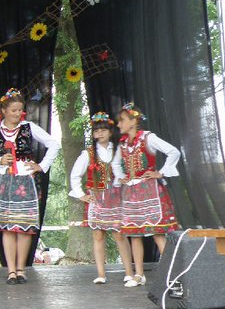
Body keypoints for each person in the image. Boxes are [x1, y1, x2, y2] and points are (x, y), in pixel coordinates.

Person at [0, 88, 60, 284]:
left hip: (25, 181)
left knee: (24, 226)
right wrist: (0, 160)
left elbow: (54, 144)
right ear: (4, 111)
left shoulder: (28, 127)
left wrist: (41, 166)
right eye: (14, 110)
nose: (17, 114)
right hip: (3, 182)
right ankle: (11, 270)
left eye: (20, 110)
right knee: (8, 227)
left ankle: (21, 269)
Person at [111, 102, 180, 288]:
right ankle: (139, 274)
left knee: (158, 233)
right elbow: (115, 164)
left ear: (133, 121)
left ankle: (172, 276)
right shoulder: (123, 144)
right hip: (131, 192)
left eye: (122, 120)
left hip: (149, 190)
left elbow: (173, 152)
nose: (119, 124)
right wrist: (121, 176)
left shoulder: (148, 138)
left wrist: (161, 173)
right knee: (134, 234)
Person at [69, 112, 133, 284]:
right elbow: (75, 175)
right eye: (97, 131)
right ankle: (101, 274)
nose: (100, 133)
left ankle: (129, 272)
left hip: (117, 197)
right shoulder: (88, 154)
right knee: (98, 235)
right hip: (97, 198)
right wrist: (81, 194)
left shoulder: (119, 150)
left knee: (119, 234)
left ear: (110, 132)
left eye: (103, 130)